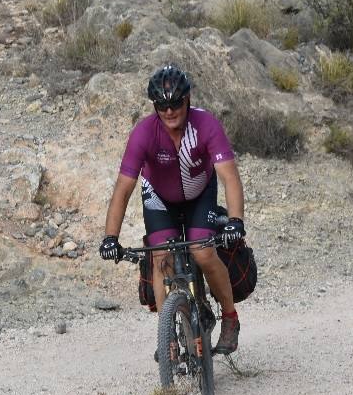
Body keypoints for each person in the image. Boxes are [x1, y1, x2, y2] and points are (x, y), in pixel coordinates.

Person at [99, 65, 246, 354]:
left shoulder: (206, 125)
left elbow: (229, 177)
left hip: (199, 193)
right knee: (160, 258)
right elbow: (123, 188)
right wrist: (110, 238)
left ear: (188, 98)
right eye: (162, 105)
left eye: (175, 103)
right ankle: (167, 337)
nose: (169, 111)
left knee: (203, 251)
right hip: (159, 197)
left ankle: (229, 318)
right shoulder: (143, 133)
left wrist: (235, 220)